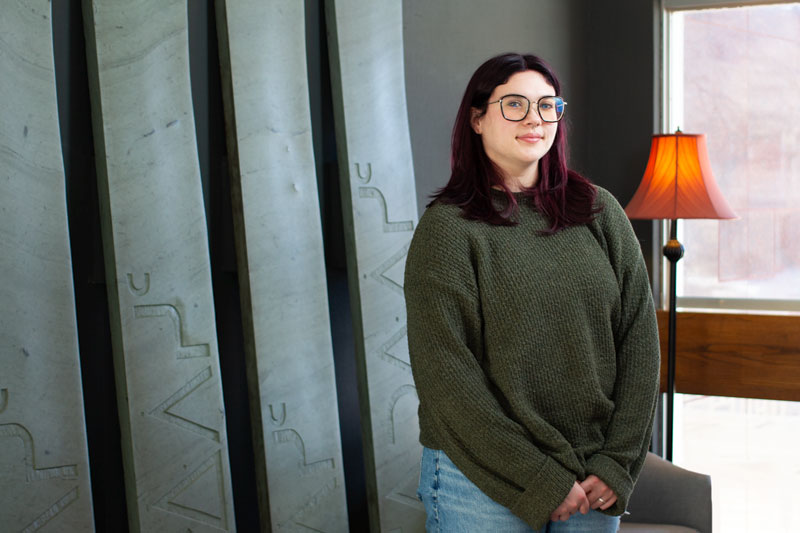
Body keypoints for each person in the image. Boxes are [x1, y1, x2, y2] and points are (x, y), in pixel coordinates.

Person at [404, 52, 661, 532]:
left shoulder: (599, 211)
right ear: (477, 119)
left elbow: (640, 341)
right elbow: (447, 379)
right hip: (479, 478)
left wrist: (617, 462)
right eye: (515, 104)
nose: (535, 119)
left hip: (591, 475)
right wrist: (539, 476)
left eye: (547, 106)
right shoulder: (448, 230)